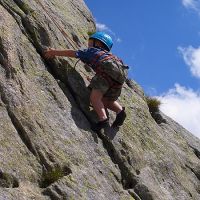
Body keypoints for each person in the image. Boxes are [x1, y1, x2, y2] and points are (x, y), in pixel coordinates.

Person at [44, 32, 128, 132]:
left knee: (95, 98)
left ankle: (103, 120)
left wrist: (54, 52)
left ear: (98, 43)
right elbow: (108, 71)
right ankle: (119, 111)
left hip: (106, 74)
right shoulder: (111, 56)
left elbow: (73, 53)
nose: (88, 44)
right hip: (120, 78)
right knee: (106, 100)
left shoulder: (92, 51)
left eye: (90, 42)